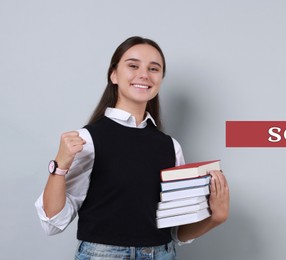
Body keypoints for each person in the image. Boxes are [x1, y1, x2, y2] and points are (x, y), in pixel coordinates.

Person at [34, 36, 230, 260]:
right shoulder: (87, 140)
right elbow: (52, 221)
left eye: (154, 69)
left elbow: (176, 232)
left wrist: (215, 218)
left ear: (160, 79)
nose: (144, 74)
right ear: (114, 74)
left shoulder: (170, 147)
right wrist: (59, 167)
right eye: (133, 65)